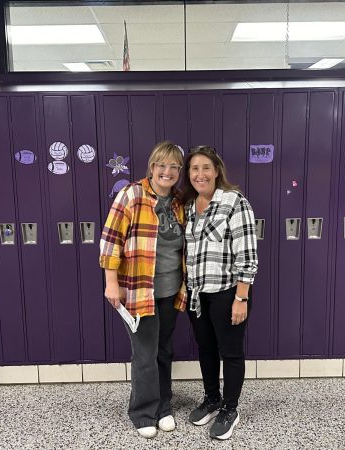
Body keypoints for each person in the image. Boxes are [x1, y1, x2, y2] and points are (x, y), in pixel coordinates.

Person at [99, 141, 186, 439]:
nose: (168, 171)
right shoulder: (132, 195)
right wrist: (112, 283)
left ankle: (164, 407)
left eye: (174, 167)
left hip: (170, 291)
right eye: (162, 165)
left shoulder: (177, 202)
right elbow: (111, 240)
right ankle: (143, 411)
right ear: (151, 167)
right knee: (145, 353)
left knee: (164, 350)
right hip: (139, 291)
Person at [182, 145, 258, 440]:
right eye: (194, 169)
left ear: (216, 171)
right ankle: (212, 398)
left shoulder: (234, 202)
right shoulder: (191, 207)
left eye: (205, 168)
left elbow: (247, 255)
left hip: (228, 293)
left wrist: (241, 298)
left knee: (231, 352)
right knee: (206, 350)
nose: (200, 174)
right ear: (188, 174)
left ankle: (230, 408)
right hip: (198, 294)